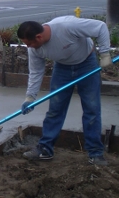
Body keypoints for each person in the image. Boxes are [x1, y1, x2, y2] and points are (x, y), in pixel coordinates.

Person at [17, 16, 112, 166]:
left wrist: (105, 53)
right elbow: (36, 72)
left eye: (29, 43)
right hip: (62, 69)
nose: (28, 47)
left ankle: (95, 153)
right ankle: (45, 149)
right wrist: (30, 97)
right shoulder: (35, 49)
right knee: (55, 110)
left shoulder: (67, 26)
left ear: (39, 36)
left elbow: (100, 27)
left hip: (86, 63)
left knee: (92, 110)